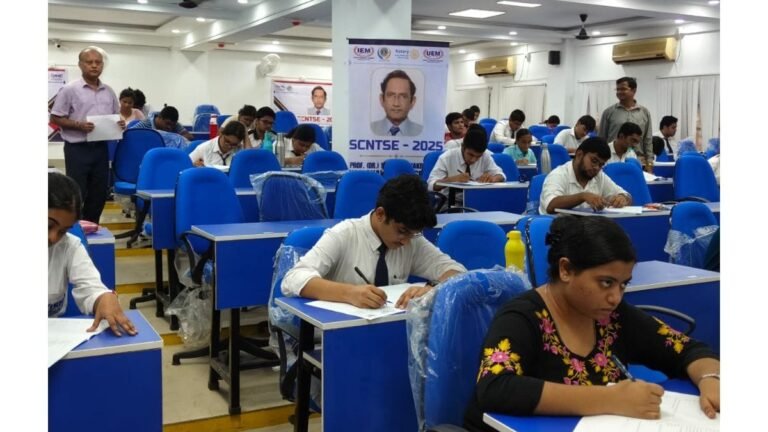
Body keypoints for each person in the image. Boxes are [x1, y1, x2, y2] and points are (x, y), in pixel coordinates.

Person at [463, 215, 719, 431]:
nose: (615, 297)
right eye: (606, 282)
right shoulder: (521, 317)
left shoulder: (613, 316)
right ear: (566, 269)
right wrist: (610, 398)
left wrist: (710, 378)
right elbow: (495, 388)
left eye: (623, 284)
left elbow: (687, 349)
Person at [282, 175, 467, 308]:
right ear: (380, 214)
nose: (405, 242)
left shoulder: (412, 240)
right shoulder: (344, 234)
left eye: (413, 234)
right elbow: (293, 279)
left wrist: (433, 288)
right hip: (338, 332)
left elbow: (457, 272)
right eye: (402, 231)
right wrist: (349, 293)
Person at [49, 172, 137, 337]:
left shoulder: (69, 245)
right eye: (48, 226)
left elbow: (90, 286)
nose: (53, 238)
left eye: (62, 231)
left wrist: (104, 298)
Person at [50, 46, 125, 223]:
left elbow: (116, 116)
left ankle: (92, 227)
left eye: (98, 62)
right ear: (80, 65)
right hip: (77, 149)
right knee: (77, 192)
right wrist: (79, 125)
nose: (94, 65)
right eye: (89, 62)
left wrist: (120, 123)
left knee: (99, 193)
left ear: (102, 65)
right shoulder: (69, 90)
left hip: (101, 148)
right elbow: (55, 117)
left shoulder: (109, 91)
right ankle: (74, 229)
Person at [540, 137, 631, 214]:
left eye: (601, 165)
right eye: (594, 161)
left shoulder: (599, 176)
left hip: (589, 227)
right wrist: (583, 196)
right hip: (558, 228)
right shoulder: (558, 174)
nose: (596, 168)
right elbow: (550, 205)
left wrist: (622, 198)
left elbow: (627, 195)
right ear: (579, 154)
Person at [428, 124, 506, 202]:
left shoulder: (485, 156)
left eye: (478, 156)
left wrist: (493, 179)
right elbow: (430, 185)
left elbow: (501, 175)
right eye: (470, 155)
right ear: (463, 146)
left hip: (476, 201)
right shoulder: (447, 157)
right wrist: (452, 180)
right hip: (450, 202)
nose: (473, 160)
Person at [598, 77, 653, 171]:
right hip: (612, 159)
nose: (619, 92)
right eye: (617, 89)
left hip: (638, 160)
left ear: (634, 90)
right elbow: (601, 139)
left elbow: (648, 140)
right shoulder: (609, 112)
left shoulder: (644, 112)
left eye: (623, 89)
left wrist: (650, 163)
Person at [370, 70, 423, 137]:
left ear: (412, 102)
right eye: (390, 95)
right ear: (382, 100)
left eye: (403, 96)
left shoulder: (423, 132)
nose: (396, 103)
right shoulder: (368, 129)